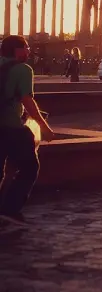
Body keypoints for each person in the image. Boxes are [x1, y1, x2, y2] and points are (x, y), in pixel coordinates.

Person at [0, 36, 57, 227]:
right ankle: (10, 209)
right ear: (17, 50)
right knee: (30, 168)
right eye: (26, 48)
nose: (28, 52)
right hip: (11, 128)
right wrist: (44, 126)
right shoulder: (23, 70)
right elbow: (27, 100)